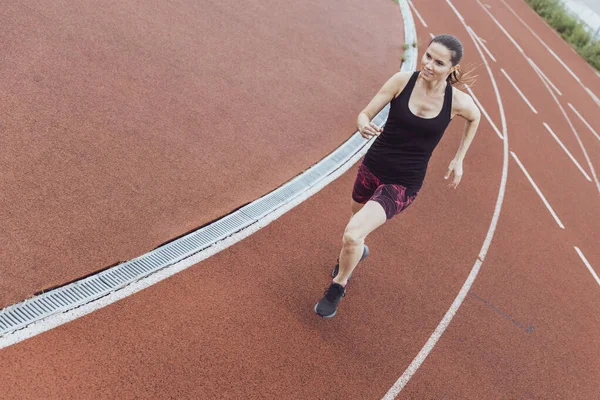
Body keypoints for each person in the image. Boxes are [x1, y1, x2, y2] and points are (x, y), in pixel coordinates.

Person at [314, 34, 481, 318]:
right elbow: (364, 114)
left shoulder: (457, 102)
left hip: (403, 183)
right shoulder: (401, 82)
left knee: (353, 235)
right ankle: (353, 255)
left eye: (439, 62)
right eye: (428, 56)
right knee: (354, 228)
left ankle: (338, 285)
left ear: (451, 69)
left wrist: (459, 159)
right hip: (372, 167)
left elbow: (475, 117)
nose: (428, 64)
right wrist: (363, 124)